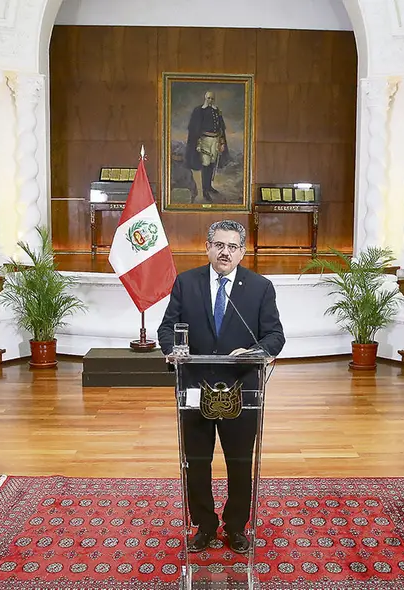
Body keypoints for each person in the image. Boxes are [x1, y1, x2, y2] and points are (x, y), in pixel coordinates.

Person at [157, 220, 285, 554]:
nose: (224, 252)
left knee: (239, 463)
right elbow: (167, 328)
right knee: (197, 462)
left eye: (232, 246)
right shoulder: (186, 283)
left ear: (242, 252)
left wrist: (255, 352)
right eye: (218, 245)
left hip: (241, 392)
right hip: (195, 390)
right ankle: (204, 526)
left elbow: (275, 336)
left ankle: (236, 527)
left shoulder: (260, 288)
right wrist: (173, 350)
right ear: (207, 247)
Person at [183, 91, 229, 201]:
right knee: (205, 164)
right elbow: (194, 128)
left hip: (215, 140)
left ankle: (209, 186)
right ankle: (204, 191)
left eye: (212, 99)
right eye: (208, 98)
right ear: (205, 98)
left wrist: (222, 142)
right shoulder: (199, 111)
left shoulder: (217, 111)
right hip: (204, 141)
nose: (210, 101)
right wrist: (198, 143)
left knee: (212, 164)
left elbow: (221, 128)